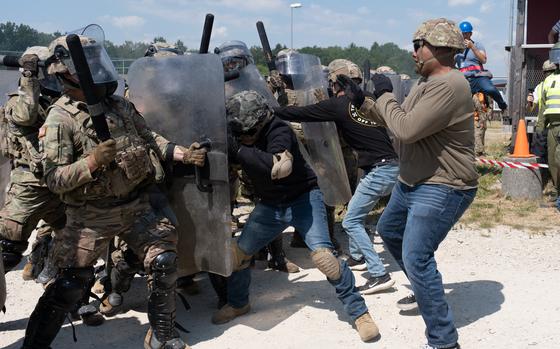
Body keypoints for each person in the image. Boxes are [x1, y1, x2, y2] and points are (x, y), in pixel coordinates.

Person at [22, 35, 206, 349]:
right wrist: (92, 162)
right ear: (65, 72)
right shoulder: (61, 118)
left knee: (163, 260)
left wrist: (183, 154)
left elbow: (150, 139)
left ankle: (161, 335)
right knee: (69, 284)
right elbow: (54, 179)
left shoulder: (119, 105)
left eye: (97, 59)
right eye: (87, 62)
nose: (97, 67)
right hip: (91, 215)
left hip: (136, 206)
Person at [339, 18, 478, 349]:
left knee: (416, 256)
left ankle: (444, 342)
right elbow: (396, 119)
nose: (413, 52)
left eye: (419, 46)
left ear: (442, 50)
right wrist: (364, 103)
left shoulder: (450, 85)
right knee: (390, 231)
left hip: (444, 184)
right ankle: (424, 287)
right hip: (413, 180)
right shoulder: (426, 85)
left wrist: (385, 94)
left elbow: (406, 129)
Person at [213, 90, 379, 342]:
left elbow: (276, 167)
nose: (243, 137)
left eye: (248, 132)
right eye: (239, 133)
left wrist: (238, 152)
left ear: (260, 122)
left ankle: (359, 313)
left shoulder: (278, 129)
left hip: (303, 199)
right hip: (270, 205)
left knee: (326, 259)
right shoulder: (235, 130)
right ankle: (238, 303)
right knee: (238, 255)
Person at [273, 58, 399, 295]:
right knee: (356, 213)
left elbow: (300, 113)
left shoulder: (337, 106)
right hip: (388, 167)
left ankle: (379, 274)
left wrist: (272, 110)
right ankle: (358, 256)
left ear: (334, 85)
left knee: (350, 220)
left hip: (381, 169)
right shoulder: (365, 104)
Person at [216, 40, 300, 274]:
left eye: (236, 62)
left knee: (269, 202)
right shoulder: (213, 89)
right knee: (225, 209)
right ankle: (234, 257)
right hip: (228, 153)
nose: (232, 67)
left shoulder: (258, 86)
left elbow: (274, 109)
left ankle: (277, 255)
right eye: (228, 62)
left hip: (256, 151)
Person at [455, 20, 508, 112]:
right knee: (456, 100)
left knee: (490, 89)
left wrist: (472, 47)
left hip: (478, 77)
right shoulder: (455, 49)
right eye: (462, 34)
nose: (464, 36)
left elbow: (483, 60)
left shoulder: (478, 45)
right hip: (464, 80)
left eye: (466, 34)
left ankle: (503, 106)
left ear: (470, 34)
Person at [535, 43, 560, 211]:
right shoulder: (548, 82)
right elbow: (543, 107)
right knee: (553, 161)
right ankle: (558, 197)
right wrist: (541, 128)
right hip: (553, 126)